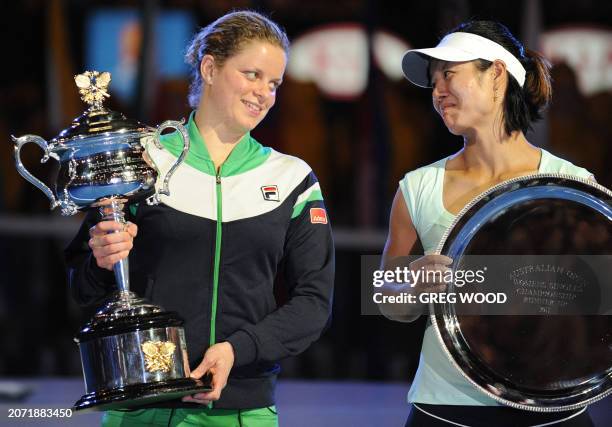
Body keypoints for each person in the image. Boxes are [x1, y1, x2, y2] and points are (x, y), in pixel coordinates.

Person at [65, 10, 334, 427]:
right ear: (209, 68)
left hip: (242, 409)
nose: (263, 92)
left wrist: (236, 350)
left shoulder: (292, 178)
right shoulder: (142, 160)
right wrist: (102, 261)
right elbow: (83, 286)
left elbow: (314, 304)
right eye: (252, 74)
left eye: (274, 83)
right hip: (141, 406)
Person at [381, 21, 595, 426]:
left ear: (496, 75)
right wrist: (411, 287)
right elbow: (384, 298)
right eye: (433, 81)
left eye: (449, 74)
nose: (438, 90)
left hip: (552, 408)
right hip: (445, 408)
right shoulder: (417, 187)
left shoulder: (572, 185)